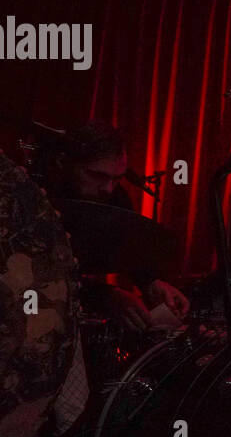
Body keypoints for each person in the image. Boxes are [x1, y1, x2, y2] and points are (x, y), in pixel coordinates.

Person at [42, 120, 189, 327]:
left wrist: (152, 282)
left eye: (117, 179)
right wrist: (108, 296)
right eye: (97, 176)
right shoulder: (31, 197)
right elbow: (39, 278)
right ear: (61, 163)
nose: (109, 189)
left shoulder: (115, 198)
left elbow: (128, 246)